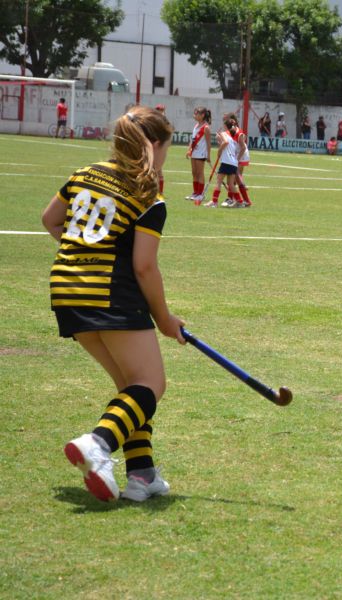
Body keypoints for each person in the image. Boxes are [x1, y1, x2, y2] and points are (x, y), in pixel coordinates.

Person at [42, 106, 185, 502]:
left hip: (67, 290)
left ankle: (142, 475)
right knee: (151, 385)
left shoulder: (84, 174)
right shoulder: (147, 195)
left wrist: (86, 255)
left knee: (129, 387)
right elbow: (144, 267)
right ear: (154, 146)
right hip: (109, 294)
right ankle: (98, 444)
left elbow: (51, 219)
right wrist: (165, 319)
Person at [204, 117, 243, 208]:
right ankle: (240, 201)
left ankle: (214, 202)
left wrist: (219, 151)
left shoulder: (224, 133)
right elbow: (227, 145)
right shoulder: (232, 136)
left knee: (218, 181)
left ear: (225, 126)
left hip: (226, 162)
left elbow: (225, 143)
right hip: (233, 162)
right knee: (230, 184)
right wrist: (219, 140)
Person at [185, 106, 212, 203]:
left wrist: (208, 155)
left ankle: (200, 194)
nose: (194, 115)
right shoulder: (196, 126)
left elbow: (209, 143)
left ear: (203, 115)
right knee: (194, 172)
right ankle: (195, 193)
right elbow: (192, 139)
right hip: (194, 152)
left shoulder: (206, 127)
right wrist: (189, 150)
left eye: (196, 114)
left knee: (200, 173)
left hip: (201, 153)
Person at [226, 113, 252, 207]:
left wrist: (236, 160)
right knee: (233, 178)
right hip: (236, 155)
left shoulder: (238, 132)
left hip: (241, 155)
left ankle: (241, 199)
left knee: (236, 177)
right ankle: (234, 198)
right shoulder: (230, 132)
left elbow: (243, 148)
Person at [154, 105, 167, 195]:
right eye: (158, 110)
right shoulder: (154, 120)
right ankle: (157, 191)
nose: (159, 111)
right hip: (154, 146)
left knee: (158, 170)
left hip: (159, 147)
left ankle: (160, 192)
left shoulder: (164, 121)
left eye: (161, 110)